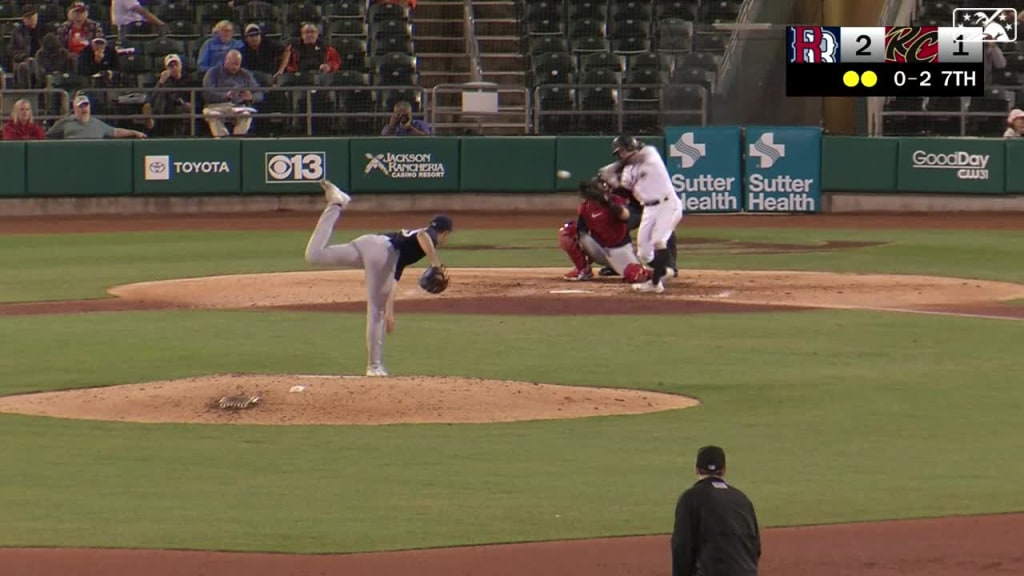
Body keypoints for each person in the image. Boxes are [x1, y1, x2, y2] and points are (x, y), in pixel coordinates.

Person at [304, 180, 452, 377]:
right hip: (383, 253)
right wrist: (435, 264)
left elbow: (393, 279)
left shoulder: (408, 250)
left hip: (370, 243)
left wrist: (390, 311)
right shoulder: (431, 235)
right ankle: (374, 367)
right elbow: (424, 236)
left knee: (314, 255)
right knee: (375, 312)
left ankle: (336, 204)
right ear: (445, 233)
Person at [598, 134, 682, 293]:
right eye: (618, 153)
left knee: (658, 240)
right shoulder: (628, 171)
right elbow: (625, 191)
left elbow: (632, 159)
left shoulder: (649, 153)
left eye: (622, 151)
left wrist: (613, 167)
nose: (620, 155)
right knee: (644, 253)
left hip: (667, 204)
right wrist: (610, 184)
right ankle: (664, 272)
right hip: (649, 209)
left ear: (630, 147)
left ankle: (656, 283)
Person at [671, 446, 761, 576]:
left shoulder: (690, 498)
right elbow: (755, 546)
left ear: (696, 470)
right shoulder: (742, 499)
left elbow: (682, 546)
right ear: (724, 470)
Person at [558, 178, 651, 284]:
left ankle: (655, 272)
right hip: (599, 249)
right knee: (568, 231)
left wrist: (608, 204)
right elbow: (581, 233)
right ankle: (583, 270)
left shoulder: (615, 201)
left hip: (620, 251)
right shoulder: (585, 208)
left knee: (634, 275)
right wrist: (585, 258)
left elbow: (625, 216)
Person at [202, 49, 262, 138]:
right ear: (226, 60)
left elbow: (259, 93)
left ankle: (237, 140)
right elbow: (207, 93)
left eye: (237, 64)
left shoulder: (245, 74)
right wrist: (225, 96)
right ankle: (224, 142)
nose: (235, 67)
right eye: (232, 64)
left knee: (246, 115)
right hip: (217, 106)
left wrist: (251, 97)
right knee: (213, 115)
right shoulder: (213, 72)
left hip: (238, 107)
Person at [46, 92, 147, 139]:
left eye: (86, 105)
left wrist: (134, 132)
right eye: (80, 106)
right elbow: (49, 135)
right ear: (75, 109)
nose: (84, 109)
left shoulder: (97, 123)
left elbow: (115, 131)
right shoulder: (65, 122)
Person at [143, 53, 194, 136]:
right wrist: (161, 81)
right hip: (167, 106)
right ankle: (151, 119)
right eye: (171, 66)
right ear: (167, 68)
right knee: (163, 92)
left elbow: (191, 97)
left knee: (165, 97)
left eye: (176, 65)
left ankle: (152, 121)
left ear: (180, 65)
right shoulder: (164, 80)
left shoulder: (188, 79)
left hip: (182, 106)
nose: (174, 68)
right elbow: (152, 98)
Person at [9, 5, 45, 89]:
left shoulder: (44, 29)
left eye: (32, 16)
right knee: (23, 67)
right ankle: (26, 94)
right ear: (23, 19)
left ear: (36, 16)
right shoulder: (17, 32)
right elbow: (12, 51)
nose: (31, 19)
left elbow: (48, 49)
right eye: (28, 17)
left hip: (42, 62)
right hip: (24, 61)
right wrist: (24, 57)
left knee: (35, 65)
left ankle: (38, 93)